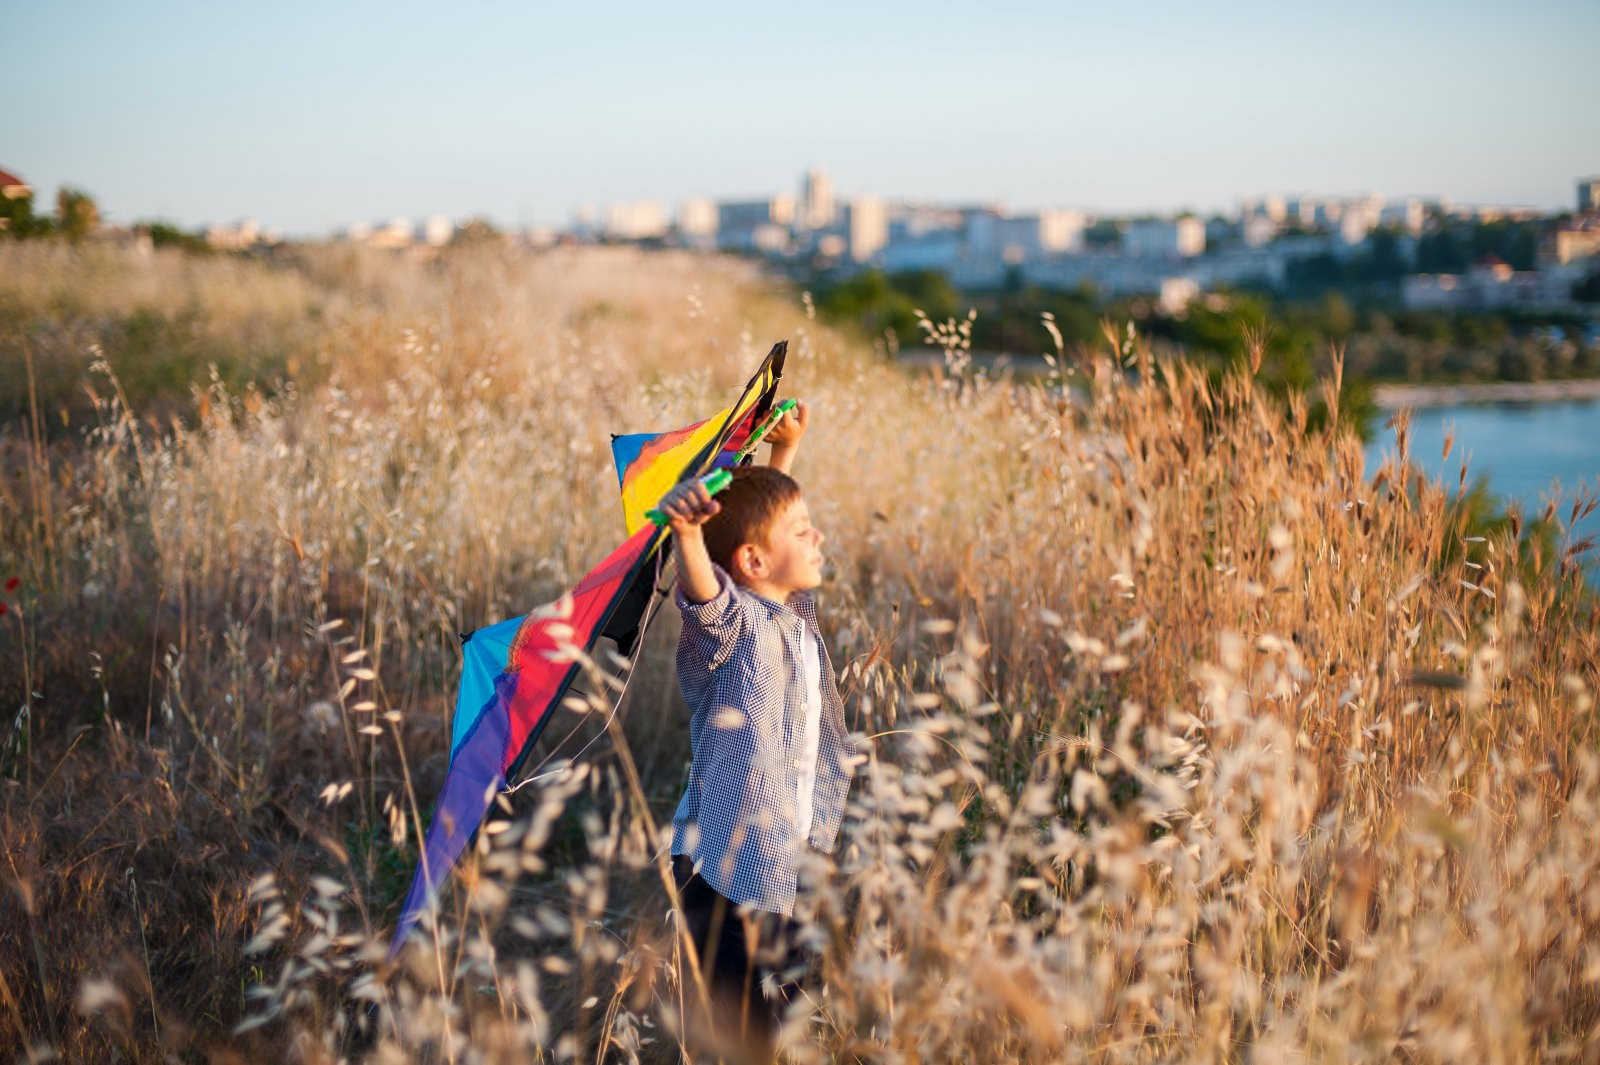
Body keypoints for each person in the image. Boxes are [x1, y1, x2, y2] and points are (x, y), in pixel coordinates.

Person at [654, 401, 855, 1064]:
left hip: (788, 864)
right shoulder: (731, 631)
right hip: (724, 874)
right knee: (748, 1041)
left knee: (786, 1020)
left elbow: (754, 543)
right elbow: (711, 596)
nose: (817, 535)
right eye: (802, 529)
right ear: (753, 561)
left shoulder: (792, 616)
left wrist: (783, 457)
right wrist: (687, 532)